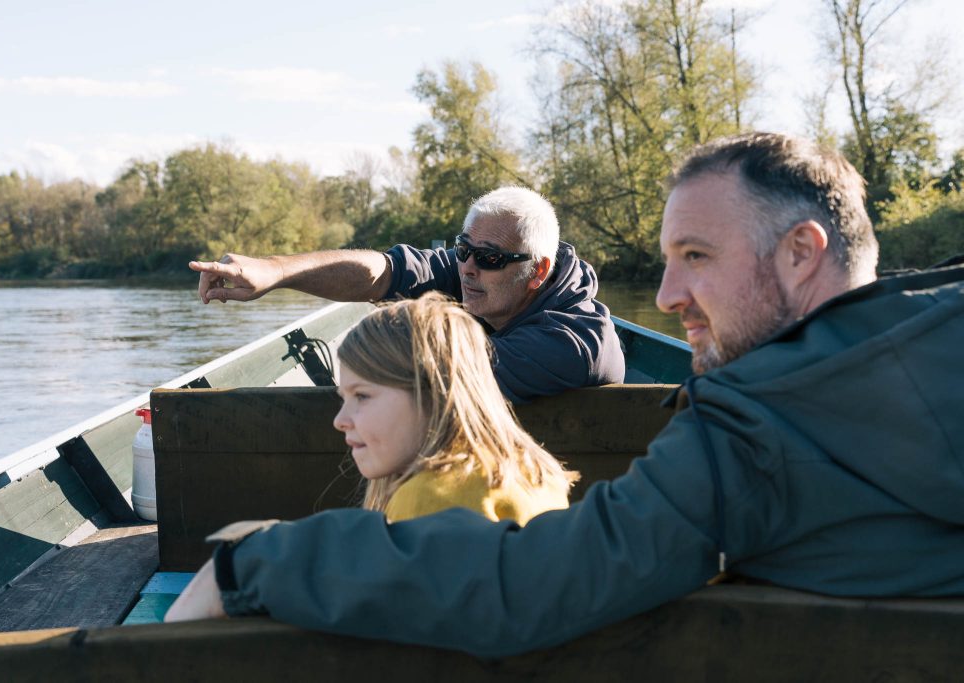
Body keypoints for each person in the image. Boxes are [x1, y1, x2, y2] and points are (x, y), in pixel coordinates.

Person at [165, 132, 964, 658]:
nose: (666, 292)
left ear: (800, 254)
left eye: (694, 255)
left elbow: (532, 585)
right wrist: (273, 272)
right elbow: (393, 269)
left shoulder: (747, 433)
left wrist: (256, 561)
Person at [188, 186, 626, 403]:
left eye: (489, 258)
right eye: (462, 250)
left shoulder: (572, 345)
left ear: (538, 272)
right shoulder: (474, 274)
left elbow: (431, 380)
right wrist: (275, 271)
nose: (469, 268)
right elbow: (384, 271)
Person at [332, 292, 576, 523]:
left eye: (362, 396)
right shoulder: (535, 473)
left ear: (433, 396)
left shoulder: (428, 498)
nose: (340, 421)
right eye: (344, 399)